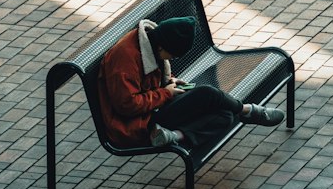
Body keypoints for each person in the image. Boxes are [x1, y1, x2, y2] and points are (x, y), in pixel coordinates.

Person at [97, 15, 283, 152]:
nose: (172, 59)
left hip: (153, 114)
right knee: (207, 94)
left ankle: (173, 136)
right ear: (162, 47)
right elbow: (127, 105)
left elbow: (149, 78)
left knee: (225, 115)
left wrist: (169, 81)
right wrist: (166, 93)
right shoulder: (125, 59)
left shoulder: (150, 45)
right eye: (172, 56)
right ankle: (248, 110)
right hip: (136, 125)